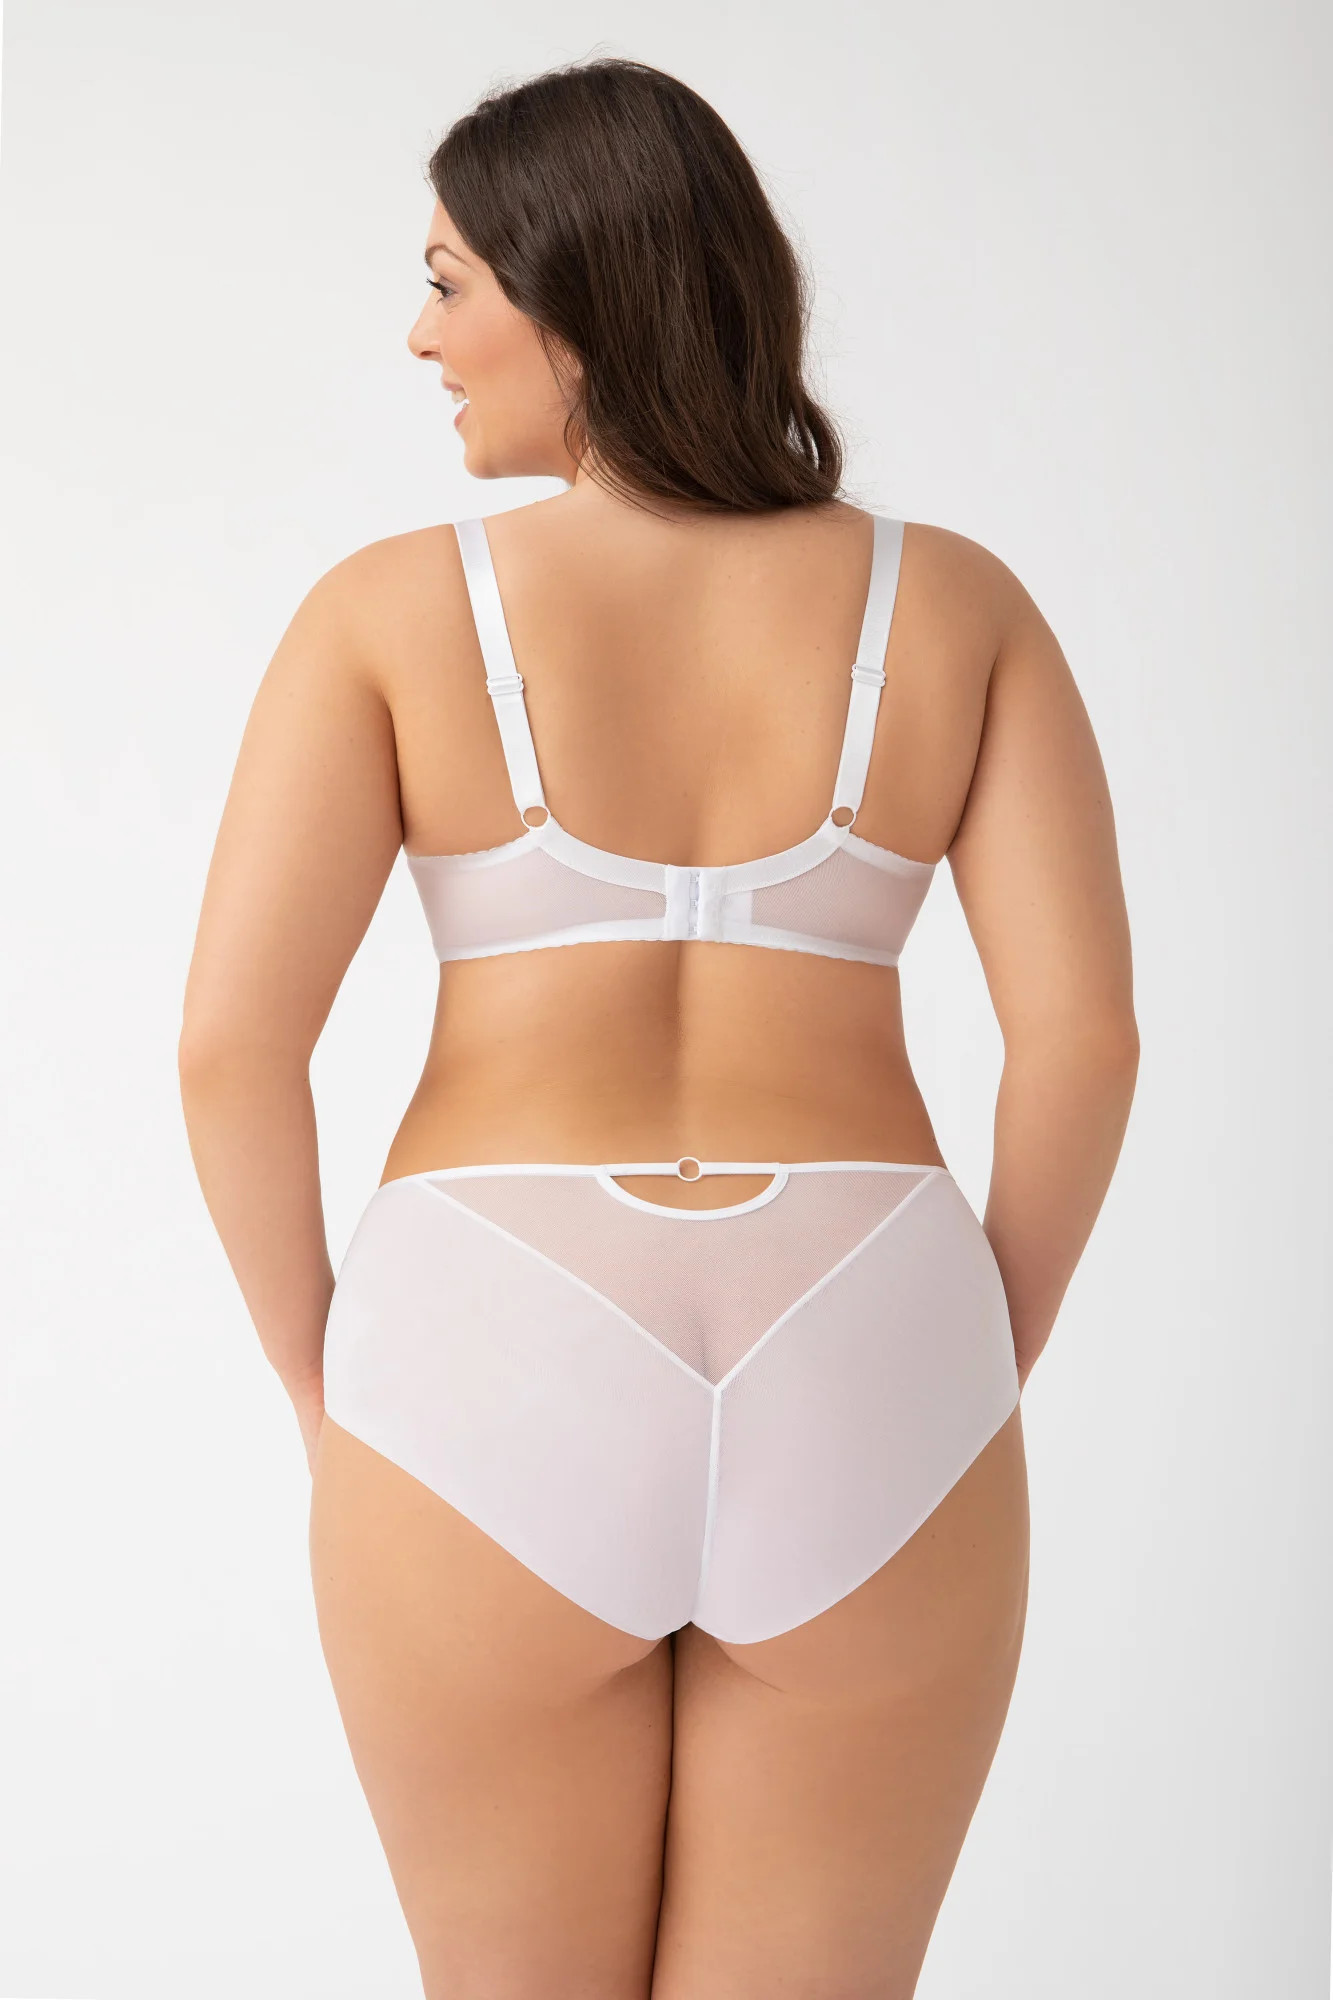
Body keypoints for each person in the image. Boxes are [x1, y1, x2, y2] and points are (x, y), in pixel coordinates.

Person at [179, 54, 1138, 2000]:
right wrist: (972, 1362)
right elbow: (1084, 1042)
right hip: (866, 1305)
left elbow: (229, 1049)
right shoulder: (955, 607)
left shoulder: (387, 613)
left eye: (449, 282)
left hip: (483, 1331)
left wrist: (317, 1383)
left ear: (578, 295)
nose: (420, 335)